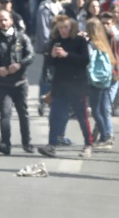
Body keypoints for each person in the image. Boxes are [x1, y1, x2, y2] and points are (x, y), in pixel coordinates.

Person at [38, 15, 92, 158]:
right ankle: (51, 145)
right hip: (60, 85)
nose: (63, 30)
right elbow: (49, 63)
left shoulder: (79, 41)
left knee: (82, 117)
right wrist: (52, 55)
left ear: (72, 27)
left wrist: (67, 55)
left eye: (66, 27)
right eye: (60, 28)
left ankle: (88, 144)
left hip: (77, 86)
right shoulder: (56, 41)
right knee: (55, 116)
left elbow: (85, 60)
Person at [0, 10, 35, 155]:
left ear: (11, 21)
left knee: (23, 114)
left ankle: (27, 143)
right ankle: (6, 143)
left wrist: (20, 64)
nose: (3, 22)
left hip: (20, 82)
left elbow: (31, 55)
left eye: (5, 19)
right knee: (5, 114)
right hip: (3, 84)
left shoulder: (21, 38)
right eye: (0, 20)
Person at [86, 17, 115, 152]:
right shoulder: (103, 43)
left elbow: (87, 61)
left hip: (94, 81)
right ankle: (107, 135)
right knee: (103, 109)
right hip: (105, 80)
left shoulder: (91, 44)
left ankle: (104, 136)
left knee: (96, 111)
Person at [34, 0, 63, 116]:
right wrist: (49, 46)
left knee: (58, 75)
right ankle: (43, 101)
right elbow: (44, 29)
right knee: (47, 76)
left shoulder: (61, 7)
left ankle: (54, 102)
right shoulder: (44, 8)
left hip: (60, 46)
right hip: (49, 47)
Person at [100, 12, 119, 117]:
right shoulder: (96, 41)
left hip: (113, 76)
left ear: (112, 24)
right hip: (99, 76)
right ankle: (101, 130)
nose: (105, 26)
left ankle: (105, 132)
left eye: (107, 23)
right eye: (103, 23)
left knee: (106, 104)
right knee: (99, 107)